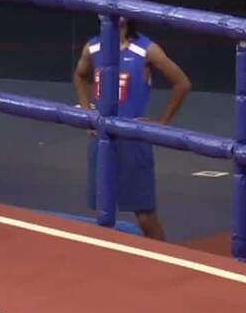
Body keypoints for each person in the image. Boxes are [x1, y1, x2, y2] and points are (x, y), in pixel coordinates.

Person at [73, 16, 191, 241]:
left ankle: (163, 259)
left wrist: (161, 123)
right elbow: (79, 75)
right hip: (102, 138)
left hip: (133, 141)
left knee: (145, 217)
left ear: (126, 15)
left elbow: (182, 83)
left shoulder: (146, 49)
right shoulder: (93, 47)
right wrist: (88, 112)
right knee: (103, 212)